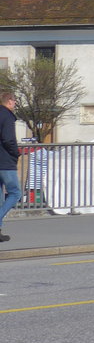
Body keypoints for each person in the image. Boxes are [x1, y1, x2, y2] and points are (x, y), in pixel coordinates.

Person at [0, 91, 20, 243]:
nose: (15, 103)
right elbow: (8, 140)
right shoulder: (7, 116)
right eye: (15, 101)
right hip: (5, 161)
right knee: (15, 193)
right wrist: (16, 154)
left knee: (0, 197)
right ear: (10, 101)